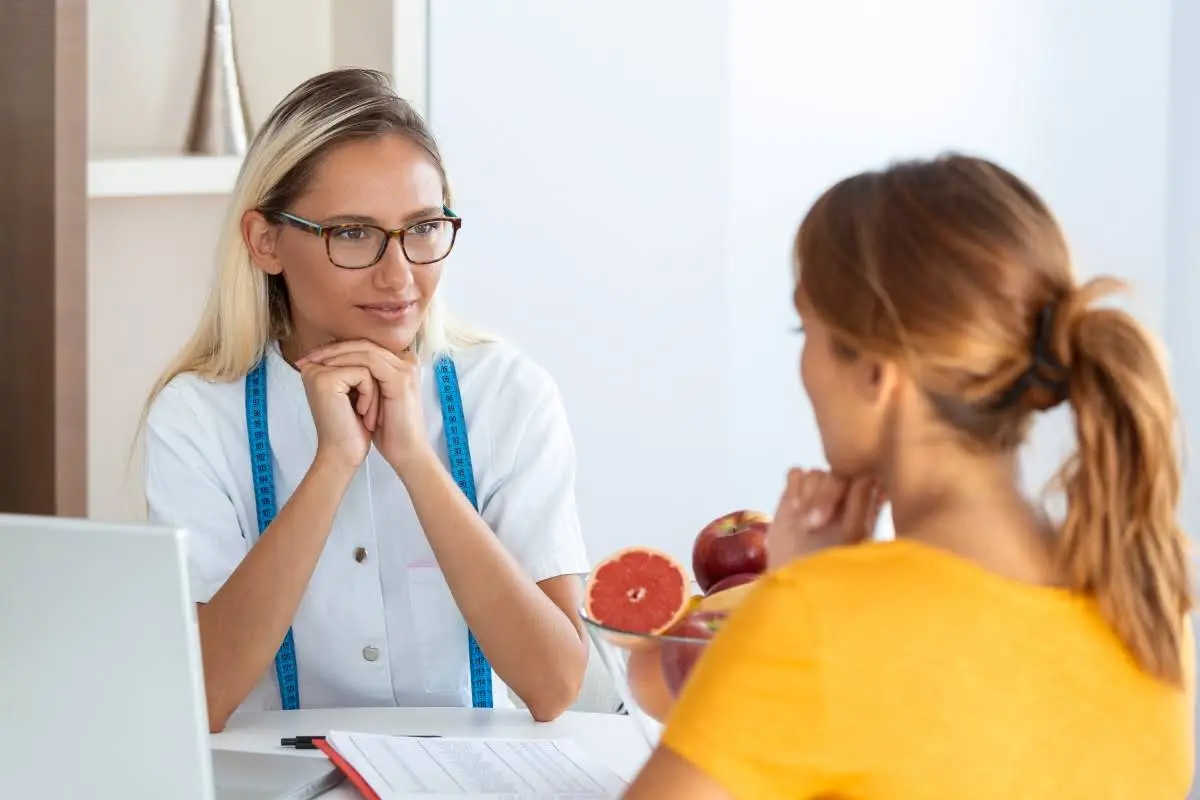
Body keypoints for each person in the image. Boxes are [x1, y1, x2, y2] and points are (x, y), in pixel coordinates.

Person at [623, 154, 1195, 799]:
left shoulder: (817, 618)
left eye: (803, 329)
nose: (803, 364)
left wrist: (798, 593)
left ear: (876, 374)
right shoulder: (1145, 605)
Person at [141, 68, 591, 732]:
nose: (399, 273)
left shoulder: (508, 396)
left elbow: (554, 684)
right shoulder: (197, 418)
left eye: (423, 228)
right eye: (353, 233)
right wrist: (332, 466)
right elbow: (200, 695)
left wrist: (414, 461)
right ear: (266, 242)